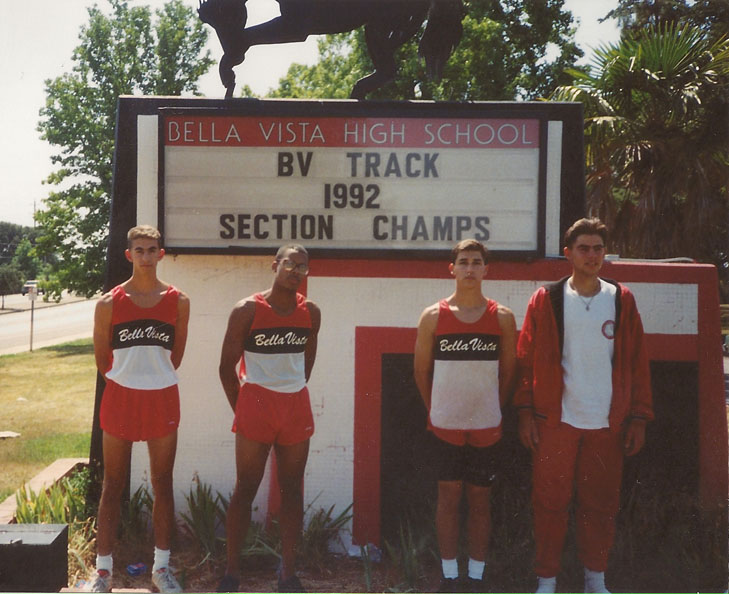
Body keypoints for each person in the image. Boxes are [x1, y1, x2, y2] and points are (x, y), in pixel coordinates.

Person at [515, 218, 653, 594]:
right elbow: (526, 359)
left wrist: (639, 417)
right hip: (556, 420)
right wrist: (526, 412)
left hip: (608, 422)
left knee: (601, 504)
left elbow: (638, 361)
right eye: (583, 248)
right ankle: (546, 581)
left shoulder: (621, 298)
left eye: (597, 248)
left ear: (604, 253)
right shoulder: (548, 299)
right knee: (550, 503)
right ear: (568, 254)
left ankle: (595, 580)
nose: (591, 255)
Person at [86, 225, 190, 593]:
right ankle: (102, 573)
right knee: (112, 484)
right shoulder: (109, 303)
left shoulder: (178, 301)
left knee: (163, 483)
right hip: (121, 397)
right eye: (140, 250)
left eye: (152, 249)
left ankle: (161, 570)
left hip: (161, 396)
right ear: (129, 255)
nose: (146, 256)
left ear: (161, 254)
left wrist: (152, 375)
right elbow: (103, 359)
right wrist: (129, 376)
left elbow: (175, 355)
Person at [413, 239, 517, 593]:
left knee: (480, 499)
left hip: (486, 425)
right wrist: (437, 409)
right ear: (452, 268)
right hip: (445, 425)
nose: (470, 268)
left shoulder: (502, 317)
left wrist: (493, 407)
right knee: (448, 497)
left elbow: (508, 373)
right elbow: (420, 372)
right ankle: (449, 574)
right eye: (463, 262)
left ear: (486, 270)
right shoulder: (432, 316)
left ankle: (476, 576)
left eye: (476, 262)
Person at [217, 244, 321, 593]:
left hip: (294, 404)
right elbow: (225, 368)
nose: (295, 272)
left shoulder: (311, 313)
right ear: (275, 265)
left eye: (302, 267)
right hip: (256, 402)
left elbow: (306, 364)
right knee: (246, 487)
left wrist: (289, 387)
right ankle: (232, 572)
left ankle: (287, 573)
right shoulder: (247, 310)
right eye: (290, 264)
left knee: (292, 490)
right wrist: (244, 408)